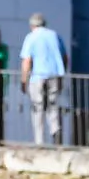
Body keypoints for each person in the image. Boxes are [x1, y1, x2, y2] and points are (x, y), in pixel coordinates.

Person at [18, 12, 68, 146]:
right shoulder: (55, 35)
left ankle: (39, 141)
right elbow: (64, 57)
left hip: (38, 76)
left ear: (32, 25)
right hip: (55, 75)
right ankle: (56, 132)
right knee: (53, 106)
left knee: (37, 107)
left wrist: (24, 80)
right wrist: (62, 74)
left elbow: (27, 61)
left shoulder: (31, 37)